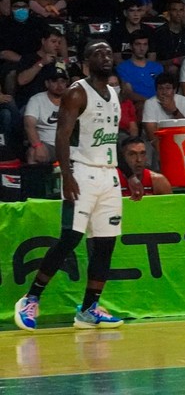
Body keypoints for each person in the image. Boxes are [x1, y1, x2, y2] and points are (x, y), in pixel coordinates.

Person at [14, 40, 139, 332]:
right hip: (81, 172)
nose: (105, 57)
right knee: (70, 238)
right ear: (85, 62)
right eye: (98, 53)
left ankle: (89, 308)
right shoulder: (76, 92)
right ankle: (31, 298)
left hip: (108, 175)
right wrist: (67, 176)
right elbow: (61, 137)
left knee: (106, 244)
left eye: (108, 53)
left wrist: (129, 174)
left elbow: (112, 139)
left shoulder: (113, 93)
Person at [142, 73, 185, 156]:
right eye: (160, 89)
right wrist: (165, 155)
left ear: (174, 89)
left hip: (180, 138)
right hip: (157, 141)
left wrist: (174, 110)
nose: (164, 92)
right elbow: (152, 135)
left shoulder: (184, 101)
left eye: (168, 88)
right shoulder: (150, 103)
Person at [24, 67, 67, 164]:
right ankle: (35, 179)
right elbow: (29, 125)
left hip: (72, 147)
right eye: (55, 81)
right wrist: (37, 146)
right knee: (33, 153)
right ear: (47, 83)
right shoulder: (36, 100)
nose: (59, 85)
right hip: (49, 146)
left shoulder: (73, 99)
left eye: (63, 81)